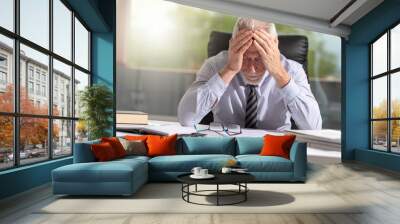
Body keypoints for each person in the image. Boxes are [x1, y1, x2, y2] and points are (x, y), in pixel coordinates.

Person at [177, 18, 322, 131]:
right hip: (225, 147)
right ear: (232, 46)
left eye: (260, 57)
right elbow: (186, 119)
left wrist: (278, 72)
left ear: (274, 46)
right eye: (245, 57)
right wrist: (230, 69)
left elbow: (313, 127)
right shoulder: (214, 66)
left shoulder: (293, 70)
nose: (252, 69)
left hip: (274, 151)